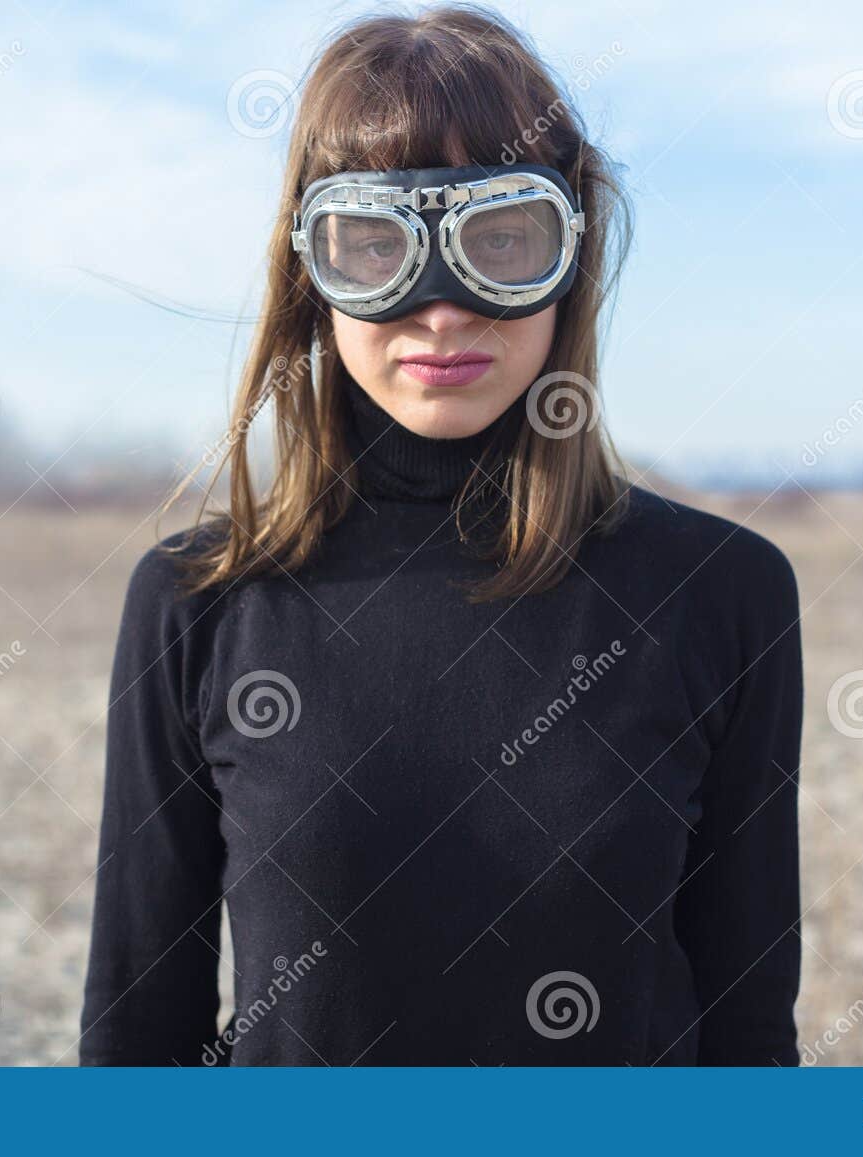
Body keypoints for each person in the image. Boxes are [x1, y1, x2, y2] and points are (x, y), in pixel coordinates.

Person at [79, 3, 802, 1066]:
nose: (442, 310)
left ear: (571, 255)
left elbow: (747, 1030)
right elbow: (138, 1028)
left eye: (500, 240)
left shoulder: (718, 592)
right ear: (309, 271)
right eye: (375, 245)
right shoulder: (199, 602)